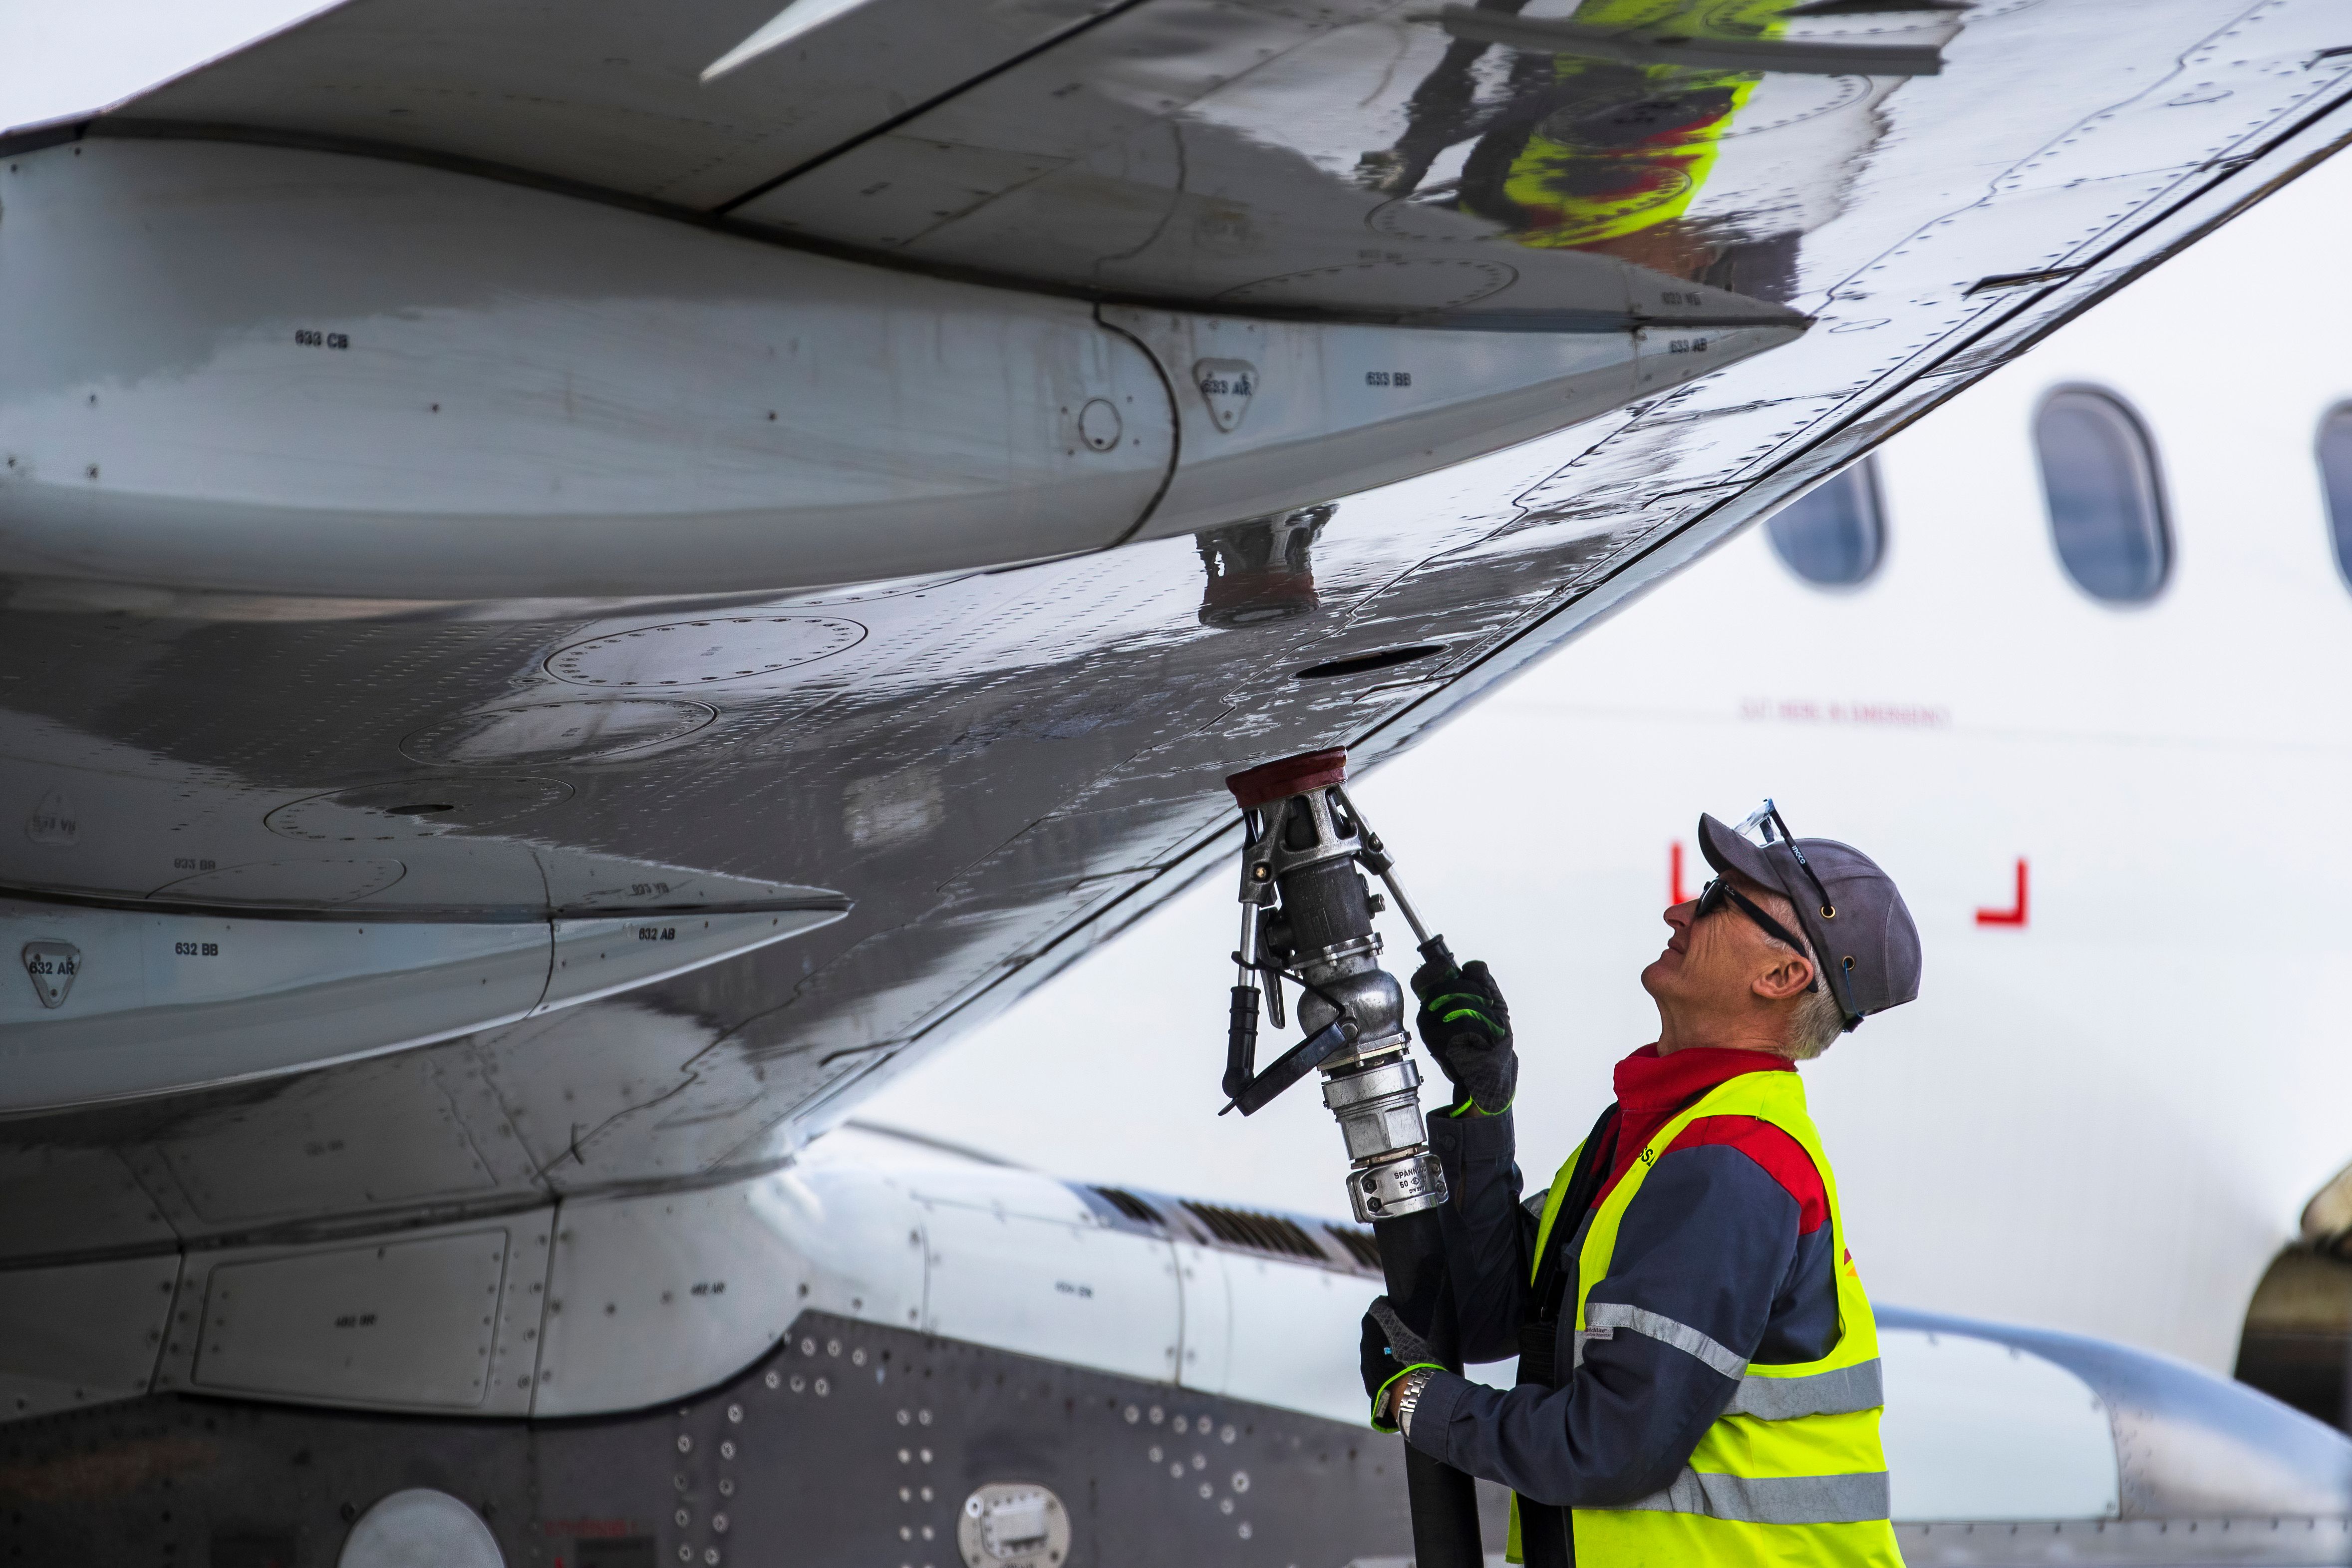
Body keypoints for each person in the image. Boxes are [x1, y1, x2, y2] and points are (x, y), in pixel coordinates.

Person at [1359, 803, 1922, 1567]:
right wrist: (1482, 1107)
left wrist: (1424, 1402)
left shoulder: (1734, 1161)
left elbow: (1610, 1445)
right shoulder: (1659, 1132)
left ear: (1783, 975)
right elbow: (1498, 1316)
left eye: (1721, 900)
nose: (1679, 908)